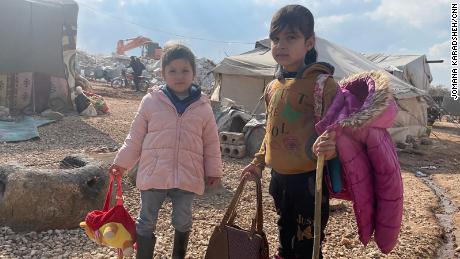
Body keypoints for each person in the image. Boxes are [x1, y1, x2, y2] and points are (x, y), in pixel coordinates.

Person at [241, 5, 338, 259]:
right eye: (275, 39)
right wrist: (258, 163)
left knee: (308, 241)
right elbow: (270, 131)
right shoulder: (273, 86)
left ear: (309, 42)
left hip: (309, 181)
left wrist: (332, 146)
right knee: (284, 230)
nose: (280, 45)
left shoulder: (323, 84)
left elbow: (342, 129)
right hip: (279, 178)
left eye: (290, 37)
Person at [109, 44, 223, 259]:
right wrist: (121, 163)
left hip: (188, 173)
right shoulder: (151, 101)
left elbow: (211, 143)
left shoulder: (203, 106)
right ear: (163, 74)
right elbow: (135, 137)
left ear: (194, 73)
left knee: (183, 219)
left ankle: (178, 255)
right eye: (172, 70)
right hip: (154, 172)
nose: (179, 76)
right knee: (146, 220)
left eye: (185, 70)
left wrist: (214, 171)